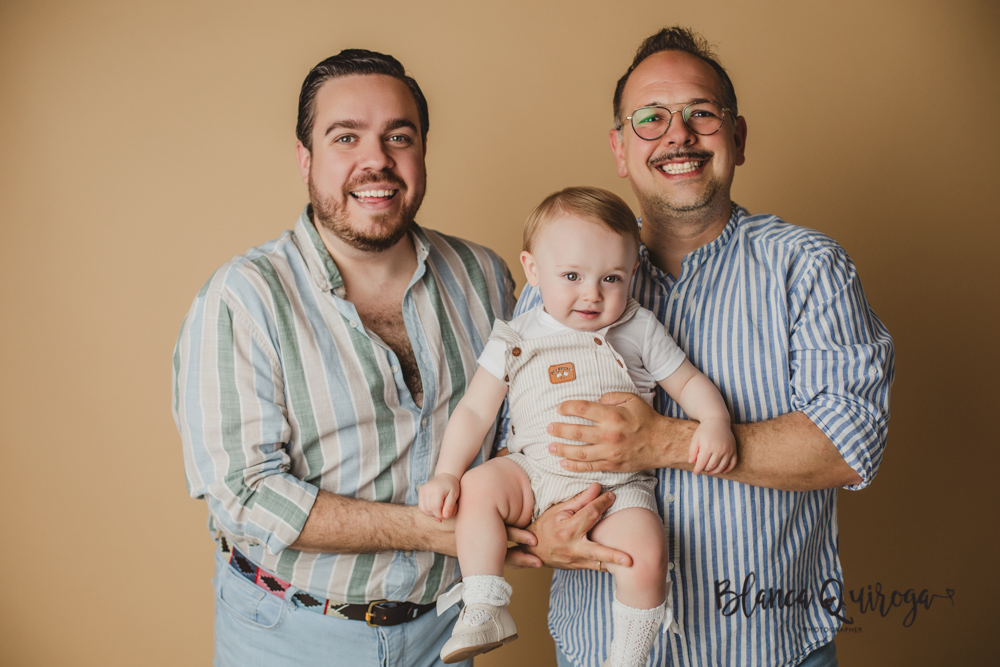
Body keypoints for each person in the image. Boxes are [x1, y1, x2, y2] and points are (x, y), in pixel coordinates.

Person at [516, 28, 895, 667]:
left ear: (737, 137)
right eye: (650, 118)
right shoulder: (555, 286)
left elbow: (849, 442)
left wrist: (664, 441)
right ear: (620, 148)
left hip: (767, 648)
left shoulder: (808, 267)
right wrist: (539, 533)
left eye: (701, 114)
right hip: (598, 647)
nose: (678, 135)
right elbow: (508, 443)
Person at [171, 49, 527, 667]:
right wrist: (429, 530)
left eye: (399, 136)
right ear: (305, 158)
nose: (377, 160)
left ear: (422, 151)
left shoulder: (485, 277)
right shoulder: (244, 298)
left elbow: (524, 430)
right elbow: (245, 494)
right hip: (290, 633)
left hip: (447, 631)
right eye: (346, 137)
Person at [419, 187, 736, 666]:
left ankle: (628, 655)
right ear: (532, 270)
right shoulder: (515, 336)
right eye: (572, 276)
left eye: (611, 278)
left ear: (632, 273)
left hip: (617, 485)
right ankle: (485, 603)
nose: (592, 294)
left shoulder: (638, 328)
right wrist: (447, 473)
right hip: (532, 473)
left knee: (647, 550)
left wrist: (714, 420)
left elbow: (687, 380)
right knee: (478, 487)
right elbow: (475, 412)